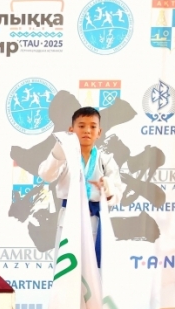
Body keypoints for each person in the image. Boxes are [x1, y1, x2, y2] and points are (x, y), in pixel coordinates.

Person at [38, 106, 124, 267]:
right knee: (67, 269)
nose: (87, 131)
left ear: (99, 132)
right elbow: (46, 175)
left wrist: (107, 189)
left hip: (95, 220)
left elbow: (117, 195)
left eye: (93, 126)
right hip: (69, 219)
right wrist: (59, 151)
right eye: (82, 126)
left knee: (94, 271)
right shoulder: (64, 157)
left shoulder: (106, 160)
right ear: (71, 130)